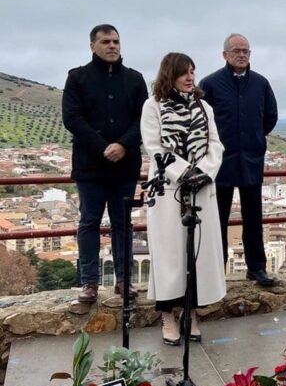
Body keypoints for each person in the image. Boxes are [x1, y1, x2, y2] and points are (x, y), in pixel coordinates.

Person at [141, 53, 227, 345]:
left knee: (196, 254)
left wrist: (204, 172)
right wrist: (184, 172)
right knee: (170, 255)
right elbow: (154, 146)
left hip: (201, 188)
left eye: (192, 71)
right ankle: (167, 315)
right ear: (170, 74)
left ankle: (191, 313)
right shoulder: (152, 106)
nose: (190, 77)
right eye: (184, 73)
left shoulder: (205, 108)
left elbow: (215, 144)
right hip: (169, 189)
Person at [62, 24, 148, 303]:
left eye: (116, 41)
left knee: (123, 223)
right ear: (92, 46)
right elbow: (72, 118)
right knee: (89, 221)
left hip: (125, 166)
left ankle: (124, 280)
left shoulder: (135, 80)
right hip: (90, 166)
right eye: (106, 41)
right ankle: (89, 282)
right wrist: (104, 147)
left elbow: (143, 120)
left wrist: (123, 145)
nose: (112, 46)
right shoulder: (78, 78)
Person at [200, 34, 279, 287]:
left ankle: (257, 268)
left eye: (246, 50)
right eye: (236, 50)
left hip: (251, 160)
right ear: (225, 54)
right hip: (220, 163)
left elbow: (270, 116)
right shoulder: (210, 84)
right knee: (218, 219)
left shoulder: (261, 83)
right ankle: (216, 272)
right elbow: (201, 121)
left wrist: (255, 138)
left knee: (254, 218)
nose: (242, 54)